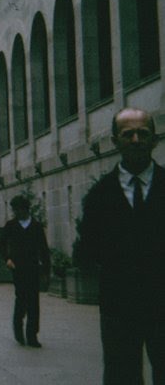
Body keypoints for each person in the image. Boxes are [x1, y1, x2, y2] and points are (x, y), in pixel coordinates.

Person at [76, 107, 165, 385]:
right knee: (121, 376)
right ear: (115, 141)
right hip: (119, 309)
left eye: (143, 133)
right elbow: (87, 253)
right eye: (128, 134)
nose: (136, 140)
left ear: (155, 139)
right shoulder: (99, 196)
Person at [0, 194, 50, 348]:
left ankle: (32, 335)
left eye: (18, 210)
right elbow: (1, 244)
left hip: (33, 267)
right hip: (18, 267)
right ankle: (18, 330)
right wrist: (7, 258)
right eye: (14, 210)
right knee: (21, 299)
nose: (16, 213)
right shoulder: (11, 225)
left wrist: (46, 270)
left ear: (25, 209)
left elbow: (44, 249)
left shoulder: (36, 226)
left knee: (34, 301)